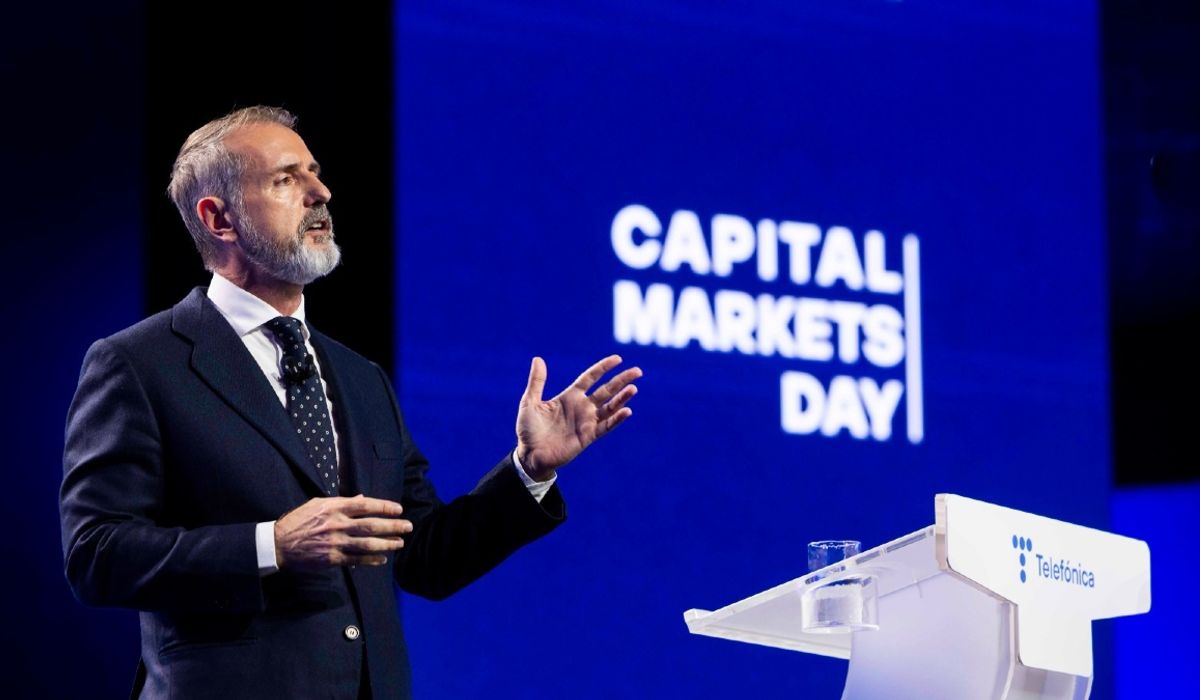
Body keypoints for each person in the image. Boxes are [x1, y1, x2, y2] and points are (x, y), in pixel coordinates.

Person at [60, 106, 641, 700]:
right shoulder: (139, 363)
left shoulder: (361, 378)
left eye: (314, 172)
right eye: (286, 179)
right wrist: (272, 545)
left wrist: (529, 471)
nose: (321, 193)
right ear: (219, 218)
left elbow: (424, 558)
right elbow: (96, 554)